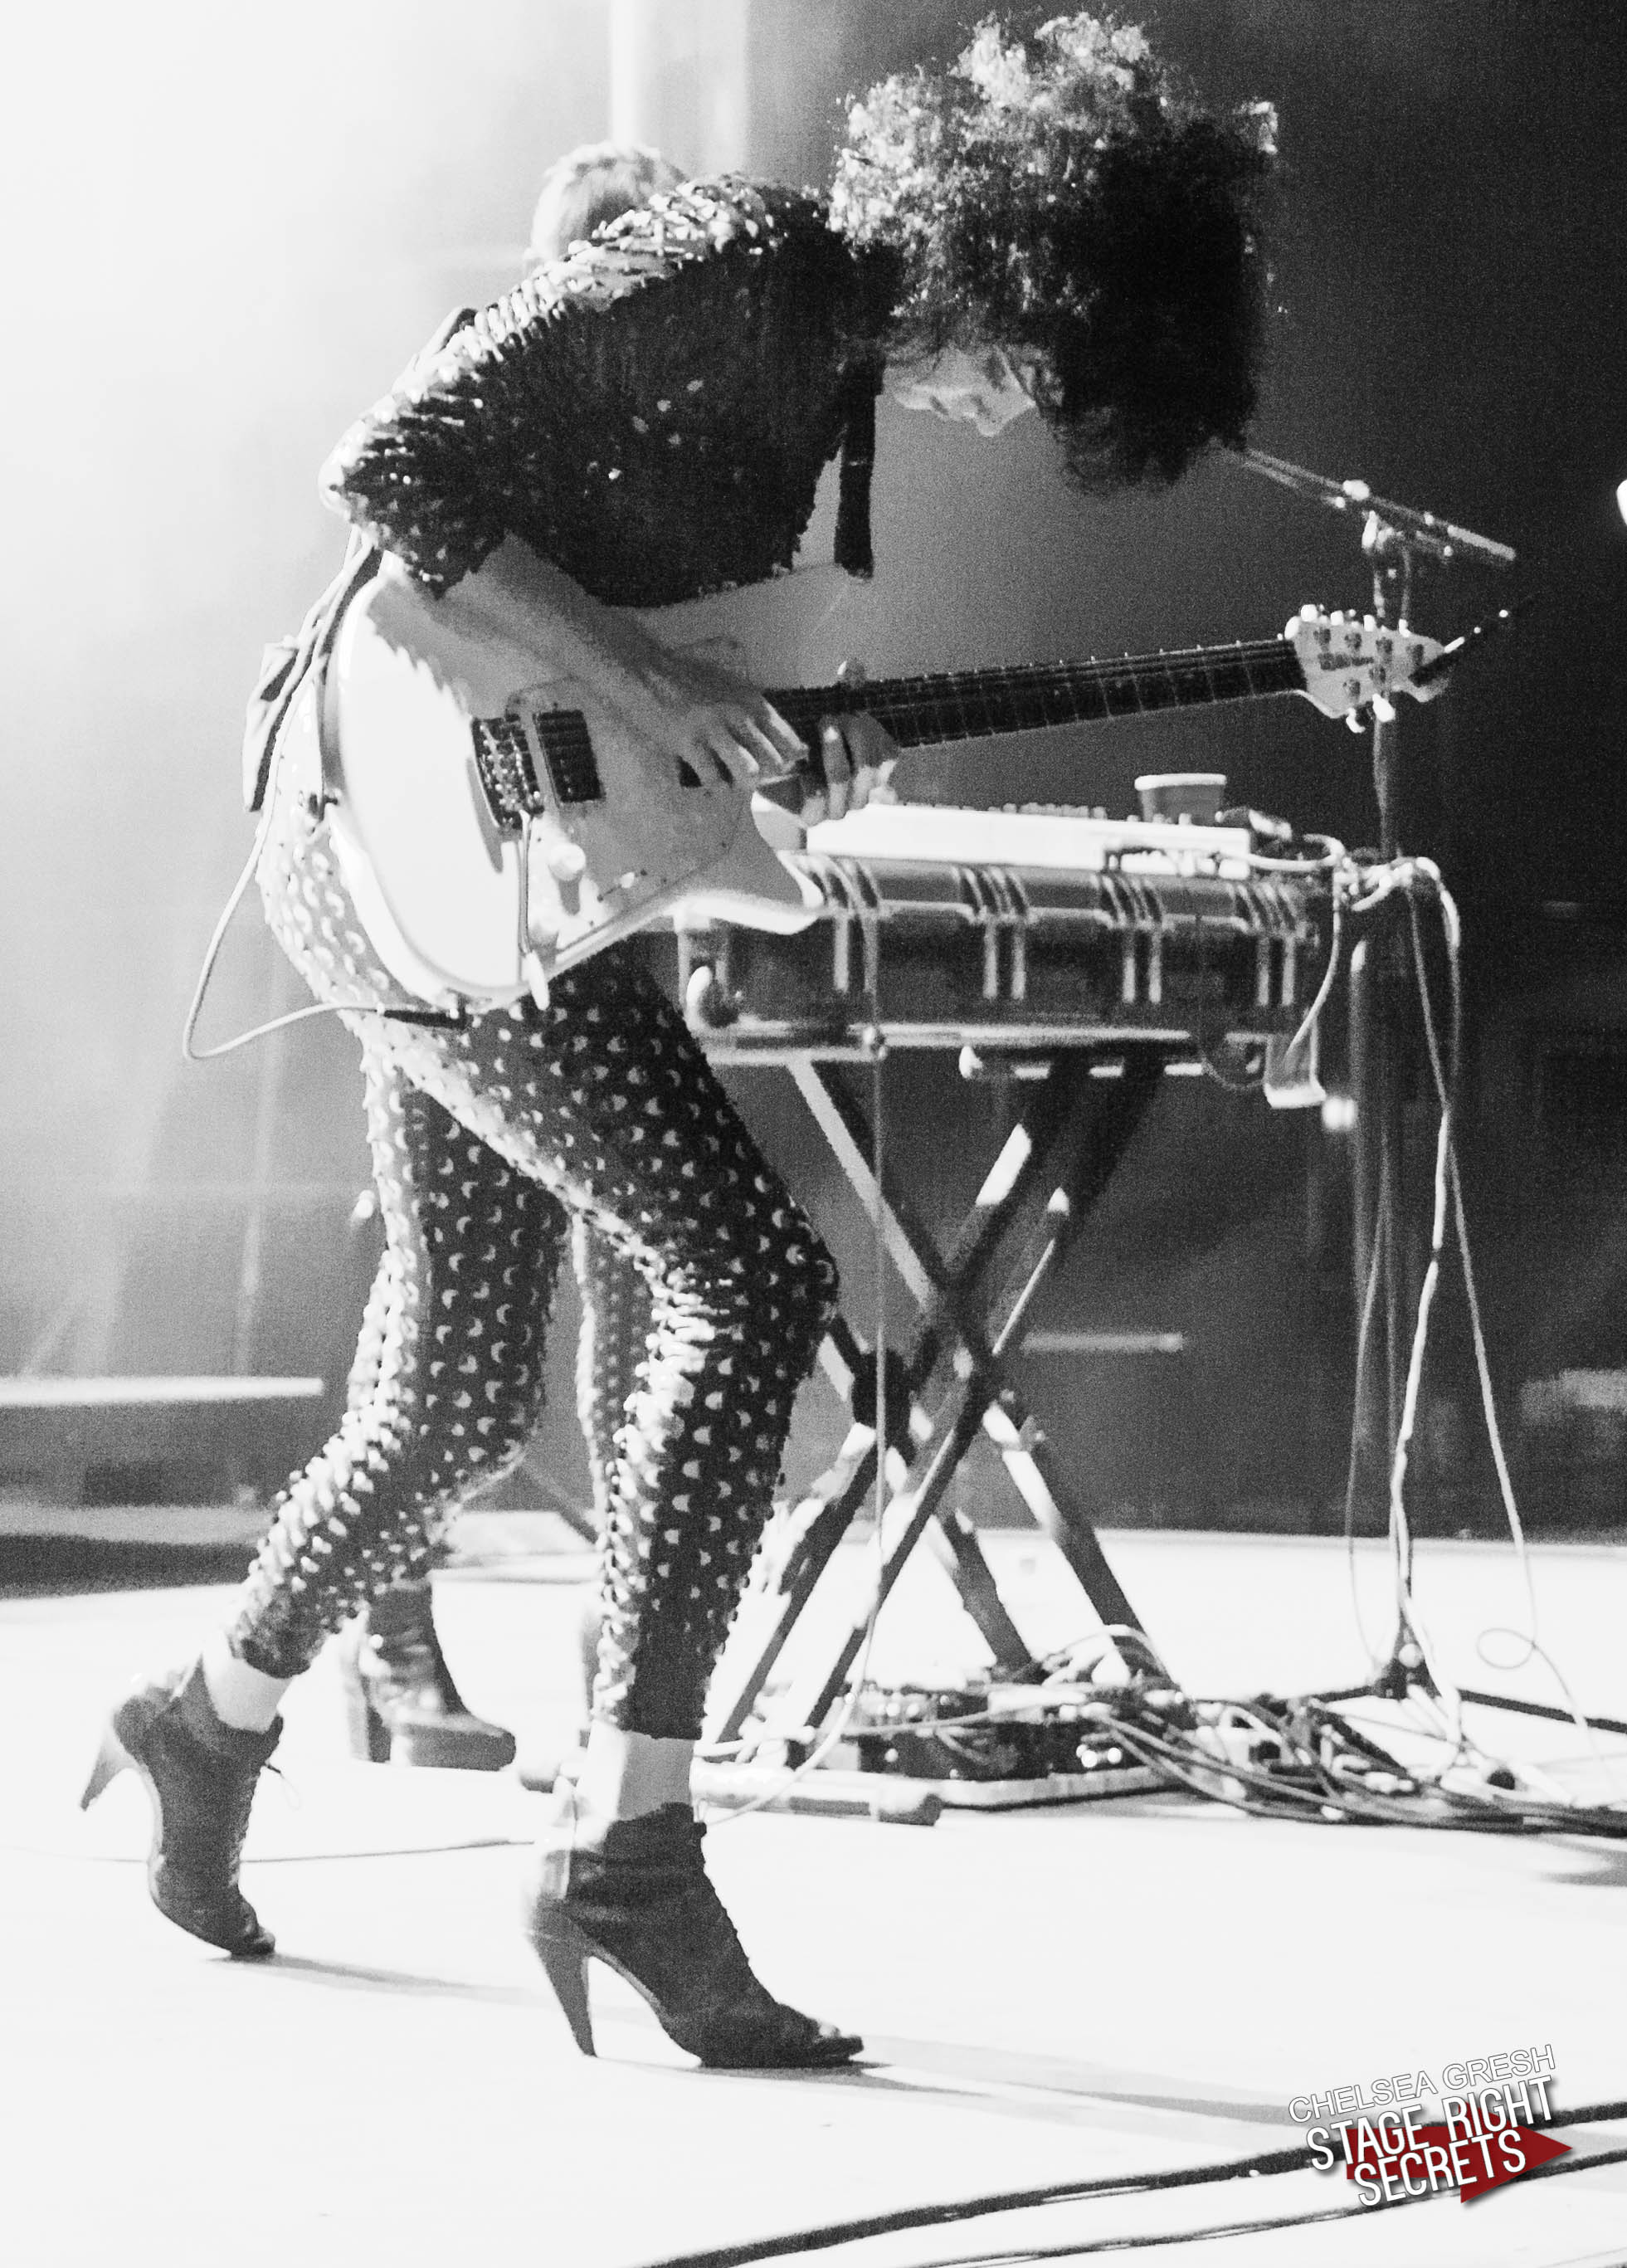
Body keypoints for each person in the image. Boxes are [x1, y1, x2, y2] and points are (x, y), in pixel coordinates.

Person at [85, 16, 1274, 2069]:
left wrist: (769, 749)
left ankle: (209, 1719)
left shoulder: (836, 394)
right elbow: (389, 470)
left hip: (512, 873)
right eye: (1034, 362)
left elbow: (679, 673)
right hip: (392, 832)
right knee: (749, 1273)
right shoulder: (744, 262)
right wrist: (648, 687)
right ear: (1005, 250)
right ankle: (628, 1843)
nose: (1012, 408)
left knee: (452, 1392)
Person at [339, 143, 688, 1775]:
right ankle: (385, 1636)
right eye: (627, 265)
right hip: (450, 905)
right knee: (450, 1306)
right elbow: (393, 649)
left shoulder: (671, 466)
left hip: (607, 898)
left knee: (649, 1258)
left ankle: (632, 1628)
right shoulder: (475, 403)